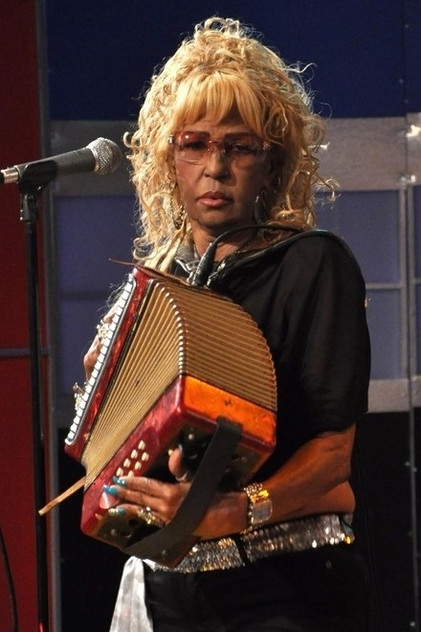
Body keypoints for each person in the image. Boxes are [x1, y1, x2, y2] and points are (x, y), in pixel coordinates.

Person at [83, 16, 371, 632]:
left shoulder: (312, 264)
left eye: (239, 147)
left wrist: (238, 509)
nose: (215, 166)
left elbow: (333, 456)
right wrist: (106, 397)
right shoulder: (156, 281)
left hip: (285, 582)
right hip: (166, 587)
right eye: (195, 143)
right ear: (169, 158)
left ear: (272, 161)